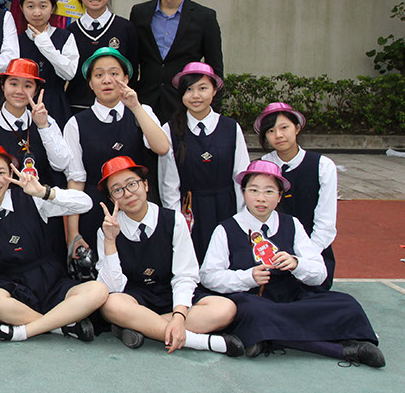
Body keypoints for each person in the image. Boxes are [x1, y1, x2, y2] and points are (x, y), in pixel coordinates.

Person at [199, 160, 383, 367]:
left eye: (269, 191)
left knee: (346, 304)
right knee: (255, 313)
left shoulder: (292, 224)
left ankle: (266, 338)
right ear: (243, 193)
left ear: (279, 197)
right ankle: (342, 349)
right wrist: (248, 277)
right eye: (253, 190)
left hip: (292, 298)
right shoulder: (226, 229)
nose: (261, 198)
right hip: (252, 299)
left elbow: (320, 273)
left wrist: (297, 264)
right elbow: (208, 276)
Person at [95, 156, 242, 355]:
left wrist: (179, 316)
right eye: (117, 190)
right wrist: (110, 240)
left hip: (171, 294)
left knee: (225, 308)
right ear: (112, 199)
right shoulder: (106, 230)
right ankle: (200, 341)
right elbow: (113, 287)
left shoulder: (174, 220)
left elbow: (185, 274)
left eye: (132, 184)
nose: (128, 193)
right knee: (111, 305)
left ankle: (140, 327)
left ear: (146, 185)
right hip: (135, 299)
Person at [0, 144, 107, 343]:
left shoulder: (32, 198)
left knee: (98, 290)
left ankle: (22, 332)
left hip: (50, 282)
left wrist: (44, 192)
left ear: (11, 174)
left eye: (1, 172)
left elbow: (85, 204)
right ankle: (60, 326)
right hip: (10, 291)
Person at [63, 47, 170, 262]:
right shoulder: (76, 124)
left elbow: (162, 147)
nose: (107, 80)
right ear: (90, 83)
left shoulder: (142, 111)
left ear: (126, 79)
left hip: (137, 205)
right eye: (98, 75)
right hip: (96, 210)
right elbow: (75, 180)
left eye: (114, 73)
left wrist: (135, 107)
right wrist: (72, 234)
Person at [158, 62, 248, 262]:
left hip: (226, 207)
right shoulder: (170, 129)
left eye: (202, 88)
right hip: (190, 209)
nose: (195, 95)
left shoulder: (231, 128)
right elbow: (169, 185)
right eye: (189, 89)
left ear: (214, 91)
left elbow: (241, 176)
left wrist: (242, 217)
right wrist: (177, 222)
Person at [0, 58, 72, 262]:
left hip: (46, 209)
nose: (19, 91)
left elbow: (61, 163)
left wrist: (43, 126)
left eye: (27, 85)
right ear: (2, 85)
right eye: (13, 83)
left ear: (36, 90)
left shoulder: (47, 121)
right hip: (10, 213)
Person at [129, 0, 224, 119]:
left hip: (186, 104)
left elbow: (215, 67)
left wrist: (212, 113)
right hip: (145, 103)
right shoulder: (139, 13)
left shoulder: (205, 17)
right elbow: (132, 61)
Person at [254, 102, 338, 289]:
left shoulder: (323, 166)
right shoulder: (259, 167)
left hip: (313, 253)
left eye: (284, 127)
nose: (278, 135)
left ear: (297, 128)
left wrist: (304, 258)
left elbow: (325, 224)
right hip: (269, 254)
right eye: (270, 131)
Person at [65, 0, 138, 113]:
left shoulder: (125, 28)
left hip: (117, 108)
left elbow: (133, 71)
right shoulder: (70, 32)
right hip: (78, 107)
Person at [16, 0, 76, 127]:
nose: (37, 12)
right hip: (22, 103)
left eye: (43, 6)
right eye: (30, 6)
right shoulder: (16, 40)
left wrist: (45, 44)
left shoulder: (65, 36)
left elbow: (69, 73)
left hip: (55, 103)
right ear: (22, 8)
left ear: (53, 8)